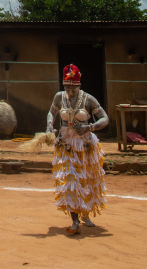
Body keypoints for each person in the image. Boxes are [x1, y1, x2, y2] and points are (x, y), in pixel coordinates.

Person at [47, 64, 109, 235]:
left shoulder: (89, 100)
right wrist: (49, 125)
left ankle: (86, 213)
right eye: (67, 86)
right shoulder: (59, 97)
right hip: (66, 145)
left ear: (79, 85)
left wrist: (91, 127)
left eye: (73, 87)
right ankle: (74, 220)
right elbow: (52, 113)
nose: (70, 90)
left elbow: (105, 118)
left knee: (87, 179)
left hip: (86, 145)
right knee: (70, 182)